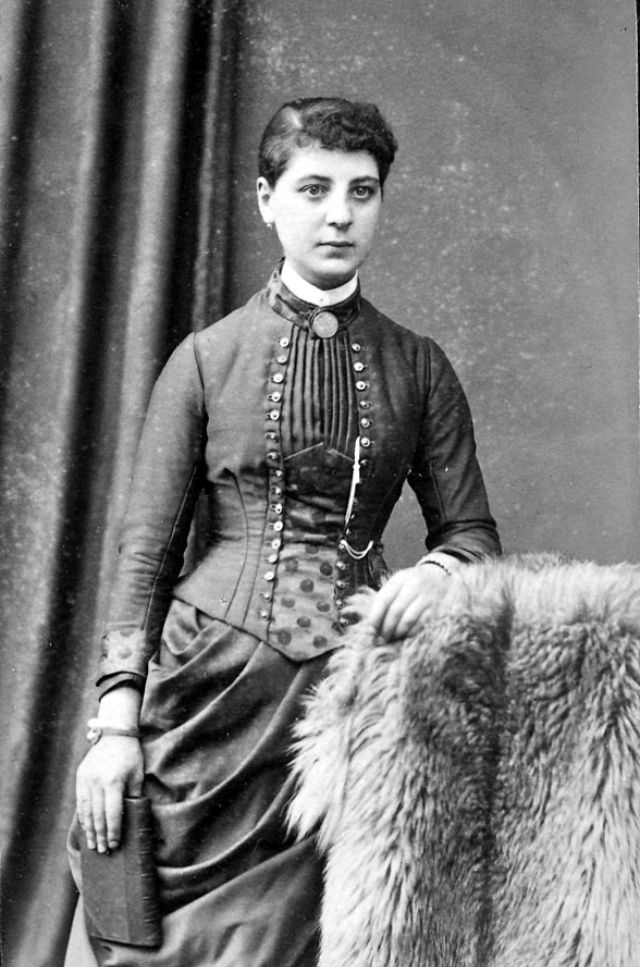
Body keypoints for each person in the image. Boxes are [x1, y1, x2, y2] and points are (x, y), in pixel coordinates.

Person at [67, 96, 501, 966]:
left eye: (362, 192)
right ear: (267, 200)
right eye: (314, 189)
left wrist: (439, 572)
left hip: (349, 704)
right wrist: (115, 727)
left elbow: (473, 533)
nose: (340, 214)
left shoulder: (418, 366)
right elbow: (145, 557)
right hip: (207, 703)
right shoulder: (205, 359)